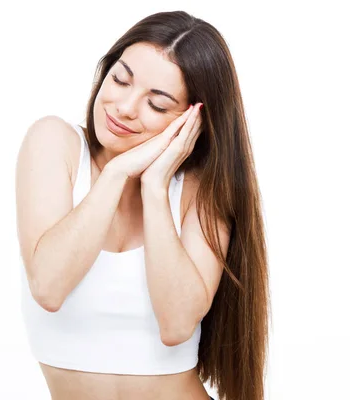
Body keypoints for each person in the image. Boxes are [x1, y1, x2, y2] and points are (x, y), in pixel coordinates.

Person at [15, 10, 269, 400]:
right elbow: (48, 286)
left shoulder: (199, 190)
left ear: (191, 121)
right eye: (120, 79)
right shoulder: (56, 144)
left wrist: (154, 186)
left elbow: (177, 325)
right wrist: (117, 173)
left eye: (158, 103)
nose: (125, 107)